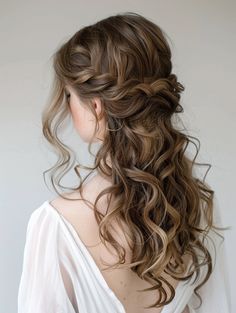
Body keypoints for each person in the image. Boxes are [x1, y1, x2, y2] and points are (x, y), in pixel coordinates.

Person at [17, 12, 231, 313]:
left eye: (68, 95)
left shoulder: (55, 226)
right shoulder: (197, 202)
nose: (66, 106)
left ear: (95, 106)